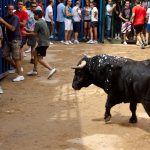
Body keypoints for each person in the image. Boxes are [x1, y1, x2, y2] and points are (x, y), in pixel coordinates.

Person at [24, 10, 56, 79]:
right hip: (44, 43)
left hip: (42, 44)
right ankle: (35, 70)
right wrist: (27, 30)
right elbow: (36, 31)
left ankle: (51, 69)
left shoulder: (38, 23)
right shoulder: (42, 21)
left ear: (37, 16)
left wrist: (26, 33)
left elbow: (34, 33)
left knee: (39, 59)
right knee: (34, 52)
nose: (34, 16)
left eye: (34, 15)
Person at [0, 4, 24, 82]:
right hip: (8, 40)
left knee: (16, 58)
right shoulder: (6, 17)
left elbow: (12, 29)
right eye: (9, 9)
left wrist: (3, 21)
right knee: (4, 55)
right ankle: (17, 68)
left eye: (12, 9)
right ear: (7, 10)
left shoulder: (15, 17)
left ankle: (20, 75)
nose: (11, 11)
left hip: (16, 40)